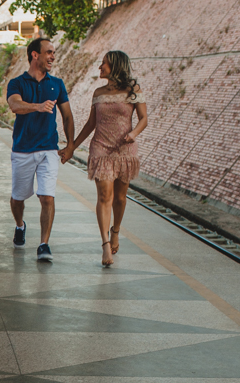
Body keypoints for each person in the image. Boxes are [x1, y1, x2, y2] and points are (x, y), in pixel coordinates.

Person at [61, 51, 148, 267]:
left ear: (115, 66)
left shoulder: (133, 90)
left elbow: (143, 119)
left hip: (124, 149)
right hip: (100, 148)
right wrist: (72, 147)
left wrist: (133, 134)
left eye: (104, 64)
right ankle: (105, 245)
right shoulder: (98, 93)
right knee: (104, 196)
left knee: (120, 198)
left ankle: (115, 230)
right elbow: (91, 124)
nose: (100, 67)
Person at [6, 37, 75, 263]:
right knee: (18, 198)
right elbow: (15, 105)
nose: (53, 57)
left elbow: (67, 116)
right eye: (49, 52)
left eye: (53, 53)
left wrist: (71, 145)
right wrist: (37, 106)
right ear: (35, 55)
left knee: (47, 197)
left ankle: (44, 244)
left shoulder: (57, 84)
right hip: (22, 149)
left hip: (48, 149)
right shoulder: (17, 83)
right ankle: (20, 225)